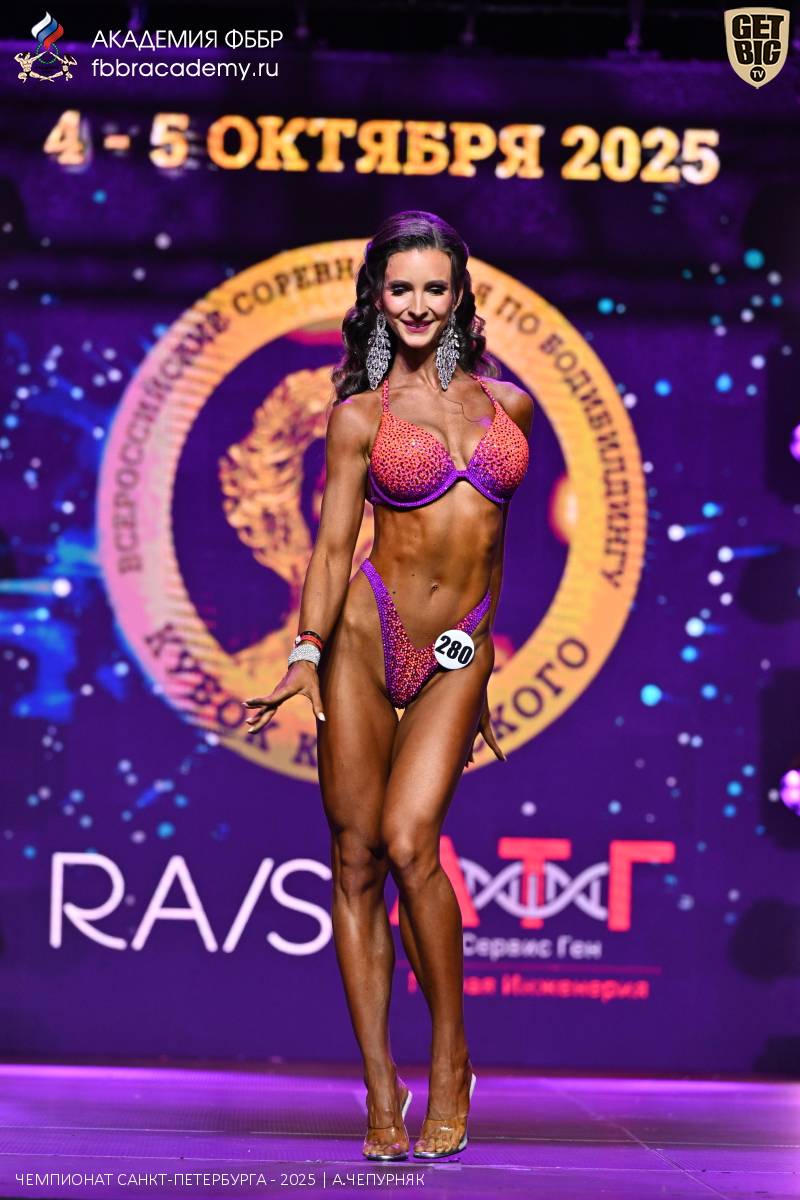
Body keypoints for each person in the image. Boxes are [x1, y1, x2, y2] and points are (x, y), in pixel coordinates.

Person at [245, 211, 532, 1161]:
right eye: (400, 288)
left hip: (457, 647)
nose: (416, 304)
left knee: (413, 843)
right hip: (365, 638)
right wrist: (304, 653)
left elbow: (494, 551)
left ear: (459, 297)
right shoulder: (359, 417)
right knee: (356, 860)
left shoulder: (512, 408)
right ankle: (380, 1086)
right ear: (377, 298)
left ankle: (452, 1059)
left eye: (433, 288)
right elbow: (332, 550)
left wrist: (479, 667)